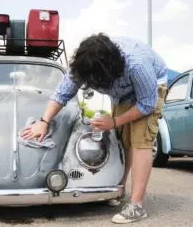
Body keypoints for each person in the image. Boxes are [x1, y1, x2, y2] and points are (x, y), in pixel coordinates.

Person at [21, 33, 167, 224]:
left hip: (151, 87)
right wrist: (44, 121)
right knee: (123, 141)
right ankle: (118, 189)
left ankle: (136, 206)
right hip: (122, 93)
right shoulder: (83, 65)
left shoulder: (136, 65)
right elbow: (61, 94)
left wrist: (114, 122)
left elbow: (147, 104)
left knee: (140, 140)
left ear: (109, 73)